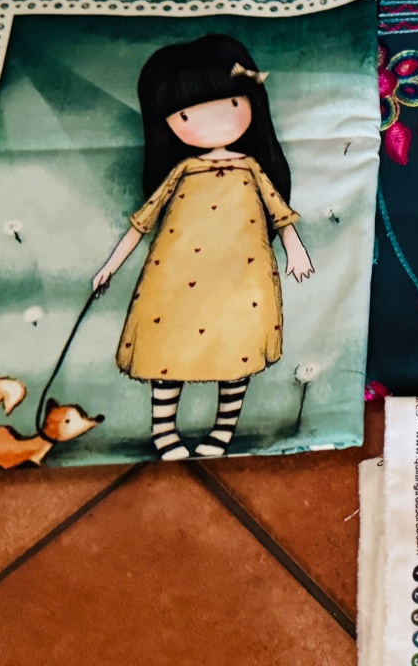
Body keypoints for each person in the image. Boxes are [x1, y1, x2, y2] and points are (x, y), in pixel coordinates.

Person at [92, 34, 312, 459]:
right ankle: (164, 433)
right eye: (187, 114)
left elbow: (280, 213)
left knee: (238, 346)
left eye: (231, 104)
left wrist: (295, 249)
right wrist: (109, 267)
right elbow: (142, 222)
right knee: (167, 346)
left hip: (242, 272)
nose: (213, 121)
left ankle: (222, 433)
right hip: (175, 273)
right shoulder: (182, 171)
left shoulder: (252, 168)